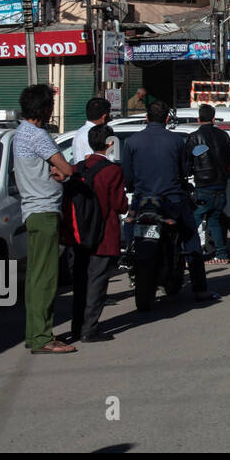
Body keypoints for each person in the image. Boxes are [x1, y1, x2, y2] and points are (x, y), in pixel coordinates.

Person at [123, 100, 219, 303]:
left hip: (142, 201)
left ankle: (127, 256)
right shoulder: (175, 141)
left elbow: (128, 177)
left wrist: (135, 188)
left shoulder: (132, 142)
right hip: (172, 200)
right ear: (166, 119)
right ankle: (200, 288)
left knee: (129, 225)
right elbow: (184, 170)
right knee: (192, 239)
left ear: (147, 118)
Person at [14, 83, 78, 354]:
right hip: (44, 211)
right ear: (44, 109)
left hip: (34, 210)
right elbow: (65, 167)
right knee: (46, 278)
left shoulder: (21, 132)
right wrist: (68, 172)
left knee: (36, 278)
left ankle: (36, 334)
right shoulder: (37, 134)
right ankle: (42, 338)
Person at [68, 124, 127, 343]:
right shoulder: (113, 171)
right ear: (110, 143)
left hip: (79, 233)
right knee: (97, 282)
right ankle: (89, 329)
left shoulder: (78, 168)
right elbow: (120, 205)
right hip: (104, 233)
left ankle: (77, 327)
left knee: (81, 282)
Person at [187, 104, 230, 264]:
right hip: (220, 184)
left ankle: (190, 254)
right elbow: (228, 159)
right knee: (214, 219)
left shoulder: (194, 137)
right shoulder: (223, 136)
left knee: (194, 220)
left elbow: (187, 162)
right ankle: (221, 254)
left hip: (203, 185)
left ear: (198, 119)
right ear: (214, 119)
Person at [72, 96, 115, 164]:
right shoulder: (95, 134)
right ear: (104, 117)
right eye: (109, 115)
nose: (110, 119)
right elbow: (94, 162)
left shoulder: (81, 132)